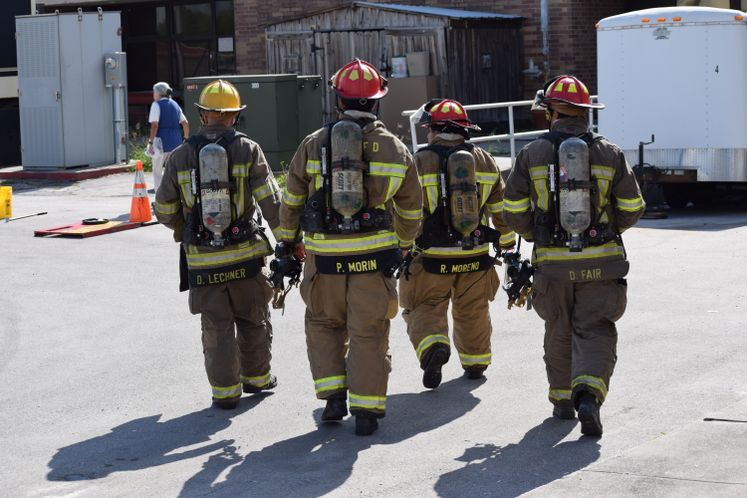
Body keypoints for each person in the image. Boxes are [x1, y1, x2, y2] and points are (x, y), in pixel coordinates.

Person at [276, 59, 422, 436]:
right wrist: (403, 247)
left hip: (323, 260)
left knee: (323, 324)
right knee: (368, 333)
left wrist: (288, 243)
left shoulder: (313, 143)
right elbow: (411, 207)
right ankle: (367, 412)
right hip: (374, 262)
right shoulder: (393, 147)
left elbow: (291, 200)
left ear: (337, 100)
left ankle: (332, 399)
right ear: (376, 103)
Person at [503, 75, 646, 436]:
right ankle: (589, 395)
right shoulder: (609, 152)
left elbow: (513, 208)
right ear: (584, 112)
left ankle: (563, 401)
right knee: (595, 328)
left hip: (552, 266)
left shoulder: (531, 153)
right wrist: (606, 232)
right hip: (602, 262)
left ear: (551, 111)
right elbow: (632, 205)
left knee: (558, 328)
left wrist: (535, 234)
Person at [155, 79, 282, 410]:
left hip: (203, 262)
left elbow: (165, 209)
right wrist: (289, 240)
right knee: (253, 318)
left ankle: (225, 392)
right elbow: (272, 202)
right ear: (234, 116)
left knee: (217, 326)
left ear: (202, 115)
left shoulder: (180, 155)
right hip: (247, 258)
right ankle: (257, 378)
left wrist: (187, 229)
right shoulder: (248, 149)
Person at [400, 99, 516, 389]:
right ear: (464, 130)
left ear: (435, 129)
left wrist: (400, 245)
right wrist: (508, 244)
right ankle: (475, 361)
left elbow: (406, 210)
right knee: (473, 308)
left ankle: (432, 348)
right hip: (475, 255)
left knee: (424, 305)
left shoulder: (418, 161)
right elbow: (500, 210)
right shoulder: (486, 161)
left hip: (430, 257)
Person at [148, 82, 190, 191]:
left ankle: (159, 196)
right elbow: (185, 123)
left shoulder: (156, 105)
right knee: (174, 170)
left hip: (161, 143)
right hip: (176, 143)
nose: (153, 95)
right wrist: (185, 138)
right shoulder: (175, 105)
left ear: (158, 93)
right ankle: (176, 195)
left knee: (157, 171)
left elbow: (155, 125)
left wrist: (151, 142)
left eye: (154, 92)